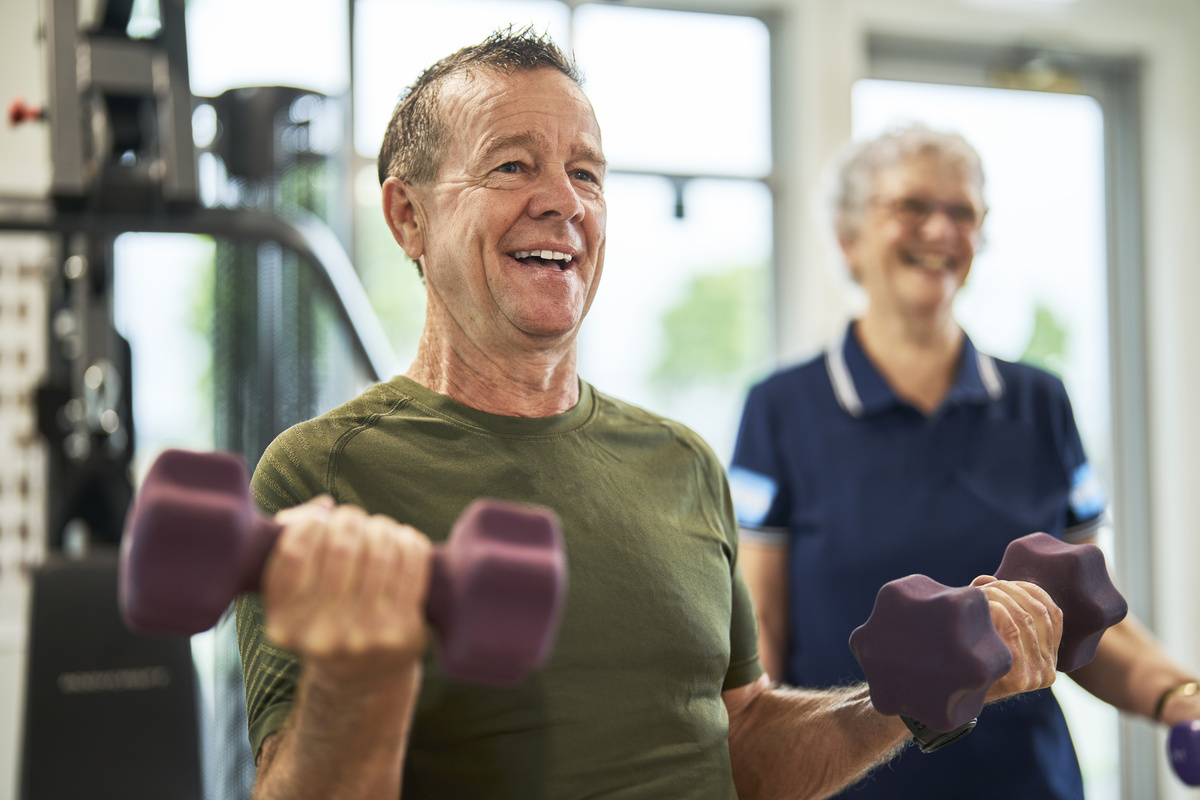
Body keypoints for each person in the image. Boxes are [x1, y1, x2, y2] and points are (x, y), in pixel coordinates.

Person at [234, 31, 1064, 800]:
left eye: (586, 172)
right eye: (512, 166)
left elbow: (742, 740)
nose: (563, 201)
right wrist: (361, 677)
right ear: (407, 216)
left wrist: (905, 696)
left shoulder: (682, 463)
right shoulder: (323, 475)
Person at [729, 124, 1200, 799]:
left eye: (962, 212)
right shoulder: (780, 409)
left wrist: (1182, 696)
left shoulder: (1041, 403)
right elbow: (761, 629)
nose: (941, 231)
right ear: (848, 237)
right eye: (913, 207)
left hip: (1027, 781)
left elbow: (1088, 623)